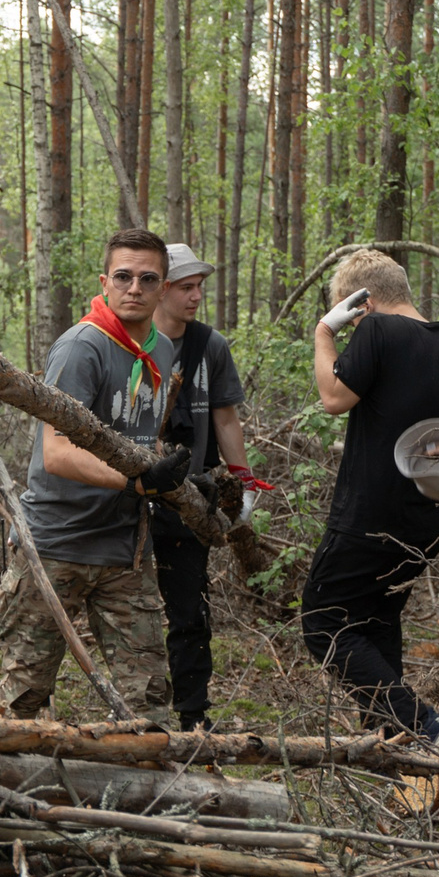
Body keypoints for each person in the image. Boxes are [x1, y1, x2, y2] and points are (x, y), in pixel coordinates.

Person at [0, 228, 185, 723]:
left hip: (124, 552)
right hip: (56, 547)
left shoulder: (161, 352)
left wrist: (176, 476)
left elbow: (139, 439)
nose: (134, 288)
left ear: (163, 288)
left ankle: (151, 796)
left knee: (150, 703)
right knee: (23, 699)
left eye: (147, 278)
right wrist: (137, 482)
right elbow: (56, 453)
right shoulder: (82, 347)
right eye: (123, 276)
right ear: (105, 281)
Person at [299, 249, 439, 743]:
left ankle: (424, 725)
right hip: (425, 515)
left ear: (361, 303)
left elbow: (333, 398)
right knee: (375, 626)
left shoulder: (376, 331)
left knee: (323, 620)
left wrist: (324, 334)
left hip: (370, 513)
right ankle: (393, 749)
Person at [148, 242, 267, 731]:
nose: (196, 296)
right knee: (127, 608)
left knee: (190, 611)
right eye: (185, 287)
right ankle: (140, 713)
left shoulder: (211, 347)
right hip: (126, 501)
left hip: (190, 499)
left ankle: (192, 716)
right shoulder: (124, 342)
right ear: (160, 289)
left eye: (200, 286)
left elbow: (225, 417)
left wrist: (242, 482)